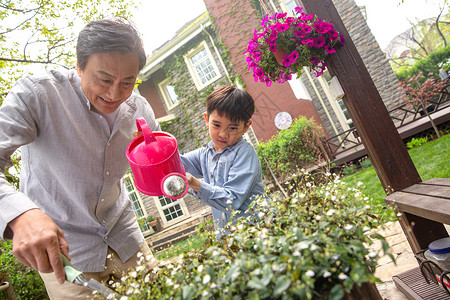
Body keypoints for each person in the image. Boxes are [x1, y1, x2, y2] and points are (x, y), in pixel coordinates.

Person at [0, 17, 160, 299]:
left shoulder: (139, 109)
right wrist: (19, 214)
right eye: (105, 79)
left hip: (124, 236)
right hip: (66, 256)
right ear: (79, 65)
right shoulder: (37, 95)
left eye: (127, 82)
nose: (114, 94)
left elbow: (158, 155)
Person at [180, 85, 266, 239]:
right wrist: (150, 142)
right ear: (207, 119)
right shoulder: (205, 154)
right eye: (216, 125)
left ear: (246, 127)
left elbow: (231, 200)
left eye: (232, 128)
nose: (223, 134)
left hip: (258, 235)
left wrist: (195, 184)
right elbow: (176, 164)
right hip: (229, 241)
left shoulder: (244, 153)